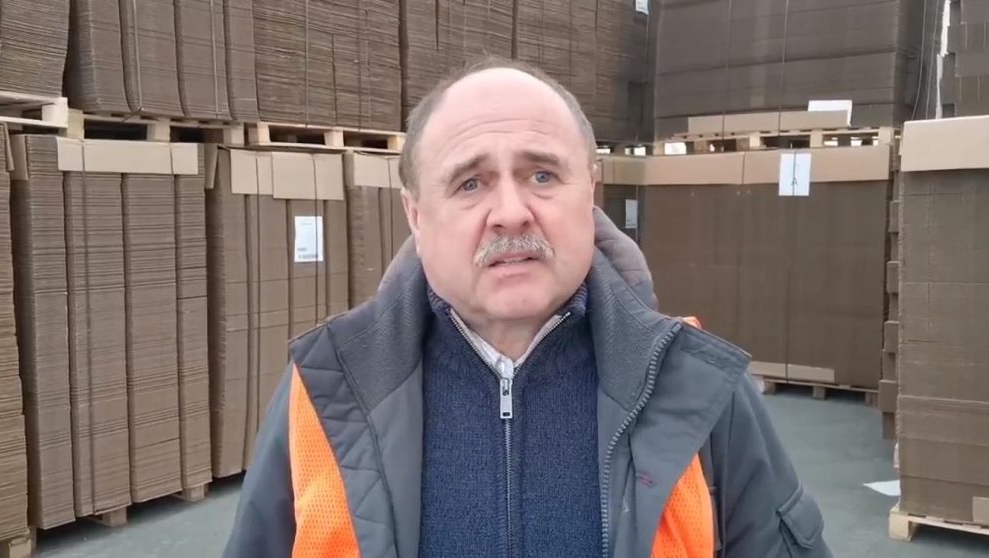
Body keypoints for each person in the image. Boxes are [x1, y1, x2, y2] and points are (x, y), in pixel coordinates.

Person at [223, 56, 832, 558]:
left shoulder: (696, 385)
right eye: (470, 183)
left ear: (589, 191)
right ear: (415, 214)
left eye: (542, 175)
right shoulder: (328, 391)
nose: (512, 212)